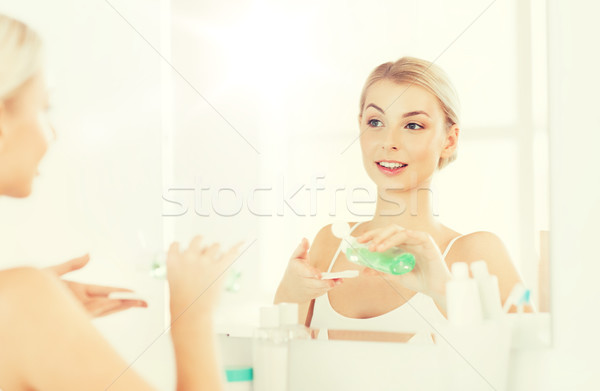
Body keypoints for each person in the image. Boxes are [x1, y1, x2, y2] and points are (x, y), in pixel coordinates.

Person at [0, 13, 238, 390]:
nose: (53, 132)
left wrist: (39, 316)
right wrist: (194, 315)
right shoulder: (18, 301)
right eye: (43, 108)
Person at [274, 57, 524, 342]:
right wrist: (290, 293)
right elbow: (278, 368)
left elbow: (531, 368)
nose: (388, 141)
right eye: (376, 122)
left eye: (413, 125)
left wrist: (444, 292)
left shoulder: (477, 253)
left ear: (449, 140)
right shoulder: (328, 244)